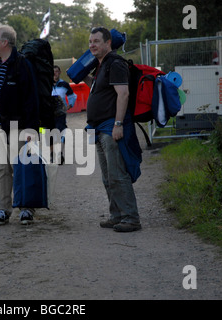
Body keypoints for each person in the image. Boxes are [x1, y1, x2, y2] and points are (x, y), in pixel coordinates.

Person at [83, 27, 142, 232]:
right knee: (108, 176)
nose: (92, 45)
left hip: (111, 127)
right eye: (90, 41)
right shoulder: (101, 66)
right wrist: (84, 77)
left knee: (117, 174)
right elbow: (100, 89)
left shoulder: (115, 63)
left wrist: (118, 124)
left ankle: (130, 217)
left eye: (96, 41)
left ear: (108, 43)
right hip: (98, 128)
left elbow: (122, 94)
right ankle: (116, 215)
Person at [0, 23, 39, 226]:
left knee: (21, 167)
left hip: (19, 127)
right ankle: (3, 210)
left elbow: (31, 98)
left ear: (5, 42)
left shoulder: (22, 64)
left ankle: (26, 208)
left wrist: (31, 128)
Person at [51, 65, 77, 163]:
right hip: (48, 114)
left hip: (60, 114)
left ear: (60, 72)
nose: (54, 74)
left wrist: (69, 106)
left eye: (57, 71)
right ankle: (51, 153)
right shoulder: (45, 84)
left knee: (62, 132)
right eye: (53, 72)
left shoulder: (64, 84)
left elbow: (72, 96)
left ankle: (60, 154)